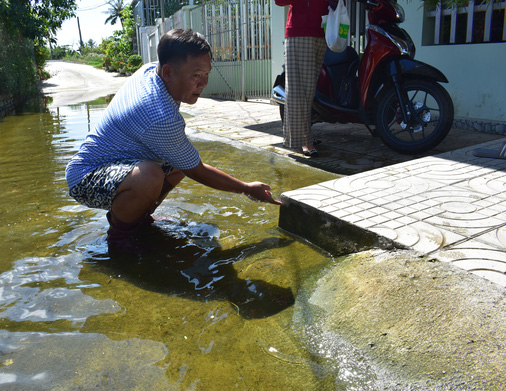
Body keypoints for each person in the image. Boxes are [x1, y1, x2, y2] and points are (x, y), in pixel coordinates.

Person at [65, 29, 281, 250]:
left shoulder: (151, 70)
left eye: (207, 74)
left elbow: (188, 164)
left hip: (119, 162)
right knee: (151, 175)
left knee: (178, 163)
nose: (204, 83)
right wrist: (246, 188)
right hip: (86, 177)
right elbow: (198, 171)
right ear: (168, 72)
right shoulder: (159, 115)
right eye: (196, 75)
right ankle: (118, 237)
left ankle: (140, 217)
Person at [275, 0, 330, 157]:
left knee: (310, 90)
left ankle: (302, 137)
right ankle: (305, 141)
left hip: (323, 31)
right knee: (300, 91)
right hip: (299, 33)